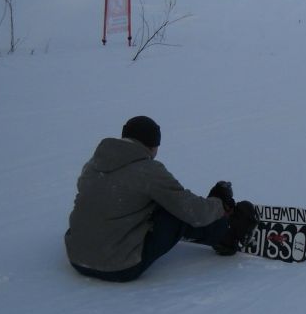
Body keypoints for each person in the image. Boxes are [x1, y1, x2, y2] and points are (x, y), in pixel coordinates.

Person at [65, 116, 258, 282]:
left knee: (137, 203)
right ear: (152, 145)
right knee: (174, 214)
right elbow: (190, 210)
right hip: (119, 268)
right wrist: (219, 204)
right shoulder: (148, 171)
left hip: (76, 258)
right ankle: (227, 235)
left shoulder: (93, 165)